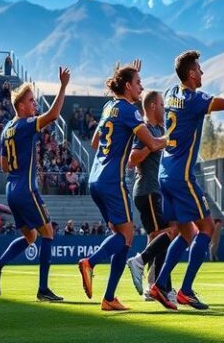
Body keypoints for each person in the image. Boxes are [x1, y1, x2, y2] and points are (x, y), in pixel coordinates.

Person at [148, 50, 224, 311]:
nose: (202, 73)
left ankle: (160, 283)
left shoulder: (170, 94)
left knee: (187, 231)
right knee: (207, 228)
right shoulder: (194, 99)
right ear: (191, 74)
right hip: (182, 175)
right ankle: (186, 290)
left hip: (165, 173)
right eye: (199, 70)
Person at [78, 62, 166, 311]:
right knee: (126, 236)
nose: (142, 86)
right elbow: (152, 143)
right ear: (127, 86)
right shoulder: (129, 110)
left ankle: (109, 298)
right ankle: (90, 263)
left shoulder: (109, 107)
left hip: (95, 179)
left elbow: (95, 142)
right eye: (138, 82)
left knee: (123, 238)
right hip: (112, 181)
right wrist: (174, 137)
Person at [0, 66, 70, 302]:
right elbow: (53, 116)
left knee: (31, 237)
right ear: (21, 106)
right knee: (48, 233)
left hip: (11, 189)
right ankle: (43, 289)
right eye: (32, 101)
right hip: (26, 188)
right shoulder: (25, 124)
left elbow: (3, 166)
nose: (35, 105)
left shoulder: (6, 130)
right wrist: (63, 86)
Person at [126, 90, 177, 303]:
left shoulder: (158, 129)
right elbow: (132, 159)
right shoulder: (146, 129)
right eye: (162, 104)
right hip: (148, 190)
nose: (164, 108)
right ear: (153, 107)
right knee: (168, 234)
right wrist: (154, 143)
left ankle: (154, 286)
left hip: (155, 191)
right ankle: (159, 282)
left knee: (157, 238)